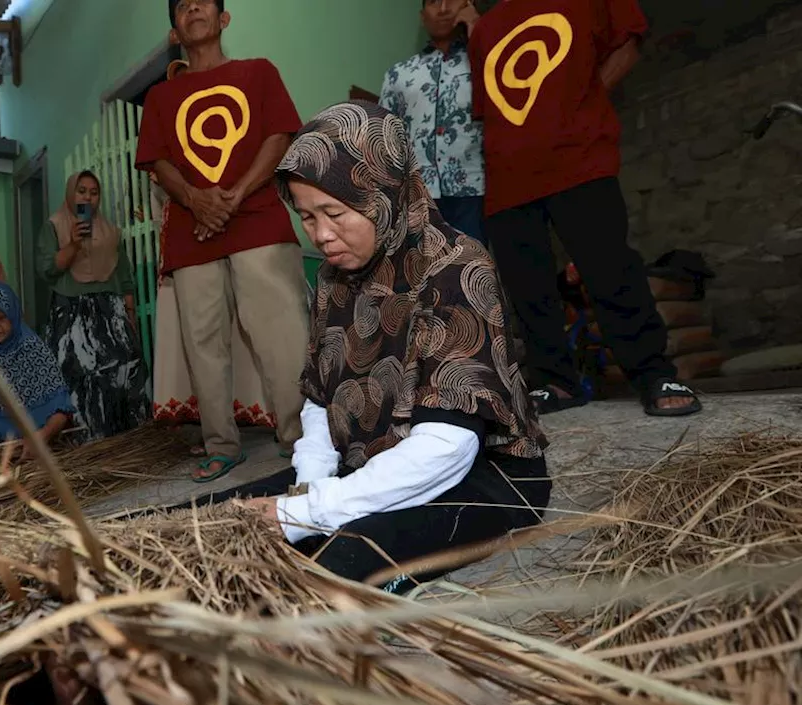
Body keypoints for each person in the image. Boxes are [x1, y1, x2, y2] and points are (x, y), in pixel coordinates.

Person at [228, 101, 550, 589]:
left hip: (483, 472)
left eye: (334, 213)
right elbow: (321, 396)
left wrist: (311, 512)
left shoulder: (456, 267)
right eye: (307, 217)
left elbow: (447, 448)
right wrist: (309, 487)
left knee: (339, 564)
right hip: (370, 459)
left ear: (381, 193)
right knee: (215, 520)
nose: (321, 235)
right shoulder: (336, 279)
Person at [463, 0, 701, 417]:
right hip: (506, 175)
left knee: (609, 268)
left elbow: (627, 45)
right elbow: (493, 106)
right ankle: (555, 380)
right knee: (527, 285)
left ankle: (652, 372)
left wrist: (582, 104)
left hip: (580, 158)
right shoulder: (484, 30)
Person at [136, 0, 311, 482]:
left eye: (203, 2)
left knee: (282, 333)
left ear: (223, 19)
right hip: (194, 234)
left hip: (257, 219)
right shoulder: (159, 98)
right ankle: (221, 444)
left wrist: (231, 198)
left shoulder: (258, 73)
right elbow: (158, 162)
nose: (193, 7)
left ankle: (302, 438)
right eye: (182, 7)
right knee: (203, 342)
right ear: (175, 31)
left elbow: (279, 138)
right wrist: (198, 199)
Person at [38, 171, 150, 439]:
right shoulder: (54, 226)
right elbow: (47, 270)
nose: (88, 197)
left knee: (124, 371)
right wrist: (74, 244)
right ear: (70, 194)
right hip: (71, 313)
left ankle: (128, 441)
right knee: (78, 378)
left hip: (111, 313)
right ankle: (85, 445)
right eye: (82, 191)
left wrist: (129, 316)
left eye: (94, 192)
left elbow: (124, 277)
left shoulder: (110, 231)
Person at [379, 0, 487, 243]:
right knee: (420, 272)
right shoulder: (399, 74)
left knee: (471, 270)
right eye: (434, 2)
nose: (443, 9)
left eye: (452, 1)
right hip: (417, 193)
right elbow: (386, 138)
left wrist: (476, 26)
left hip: (473, 190)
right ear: (422, 16)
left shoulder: (485, 64)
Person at [0, 282, 75, 456]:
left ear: (13, 315)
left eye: (0, 317)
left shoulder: (34, 350)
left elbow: (61, 410)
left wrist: (42, 436)